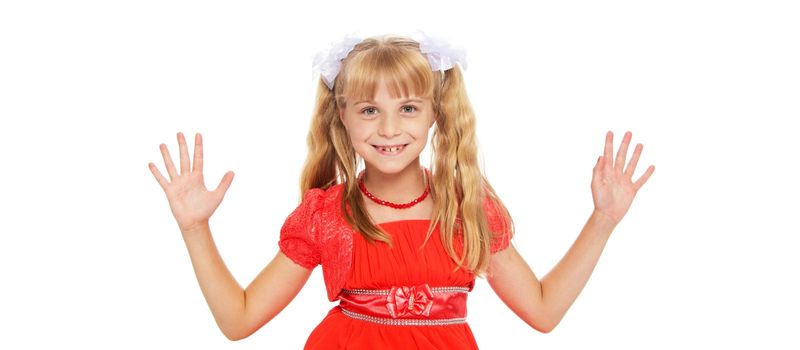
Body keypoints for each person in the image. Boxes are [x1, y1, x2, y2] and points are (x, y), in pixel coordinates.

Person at [148, 31, 655, 349]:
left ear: (436, 112)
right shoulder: (326, 215)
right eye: (369, 109)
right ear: (341, 118)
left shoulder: (466, 209)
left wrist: (603, 220)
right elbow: (238, 321)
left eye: (408, 107)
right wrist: (195, 228)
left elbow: (543, 312)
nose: (389, 127)